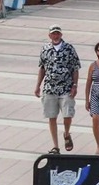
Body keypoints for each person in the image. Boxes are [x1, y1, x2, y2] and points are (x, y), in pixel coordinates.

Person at [34, 25, 80, 154]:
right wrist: (38, 85)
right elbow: (42, 68)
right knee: (51, 116)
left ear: (61, 35)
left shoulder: (69, 49)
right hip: (50, 88)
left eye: (57, 34)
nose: (55, 36)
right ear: (49, 35)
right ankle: (55, 146)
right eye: (53, 34)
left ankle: (66, 133)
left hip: (66, 87)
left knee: (67, 115)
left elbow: (75, 68)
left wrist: (75, 85)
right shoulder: (45, 49)